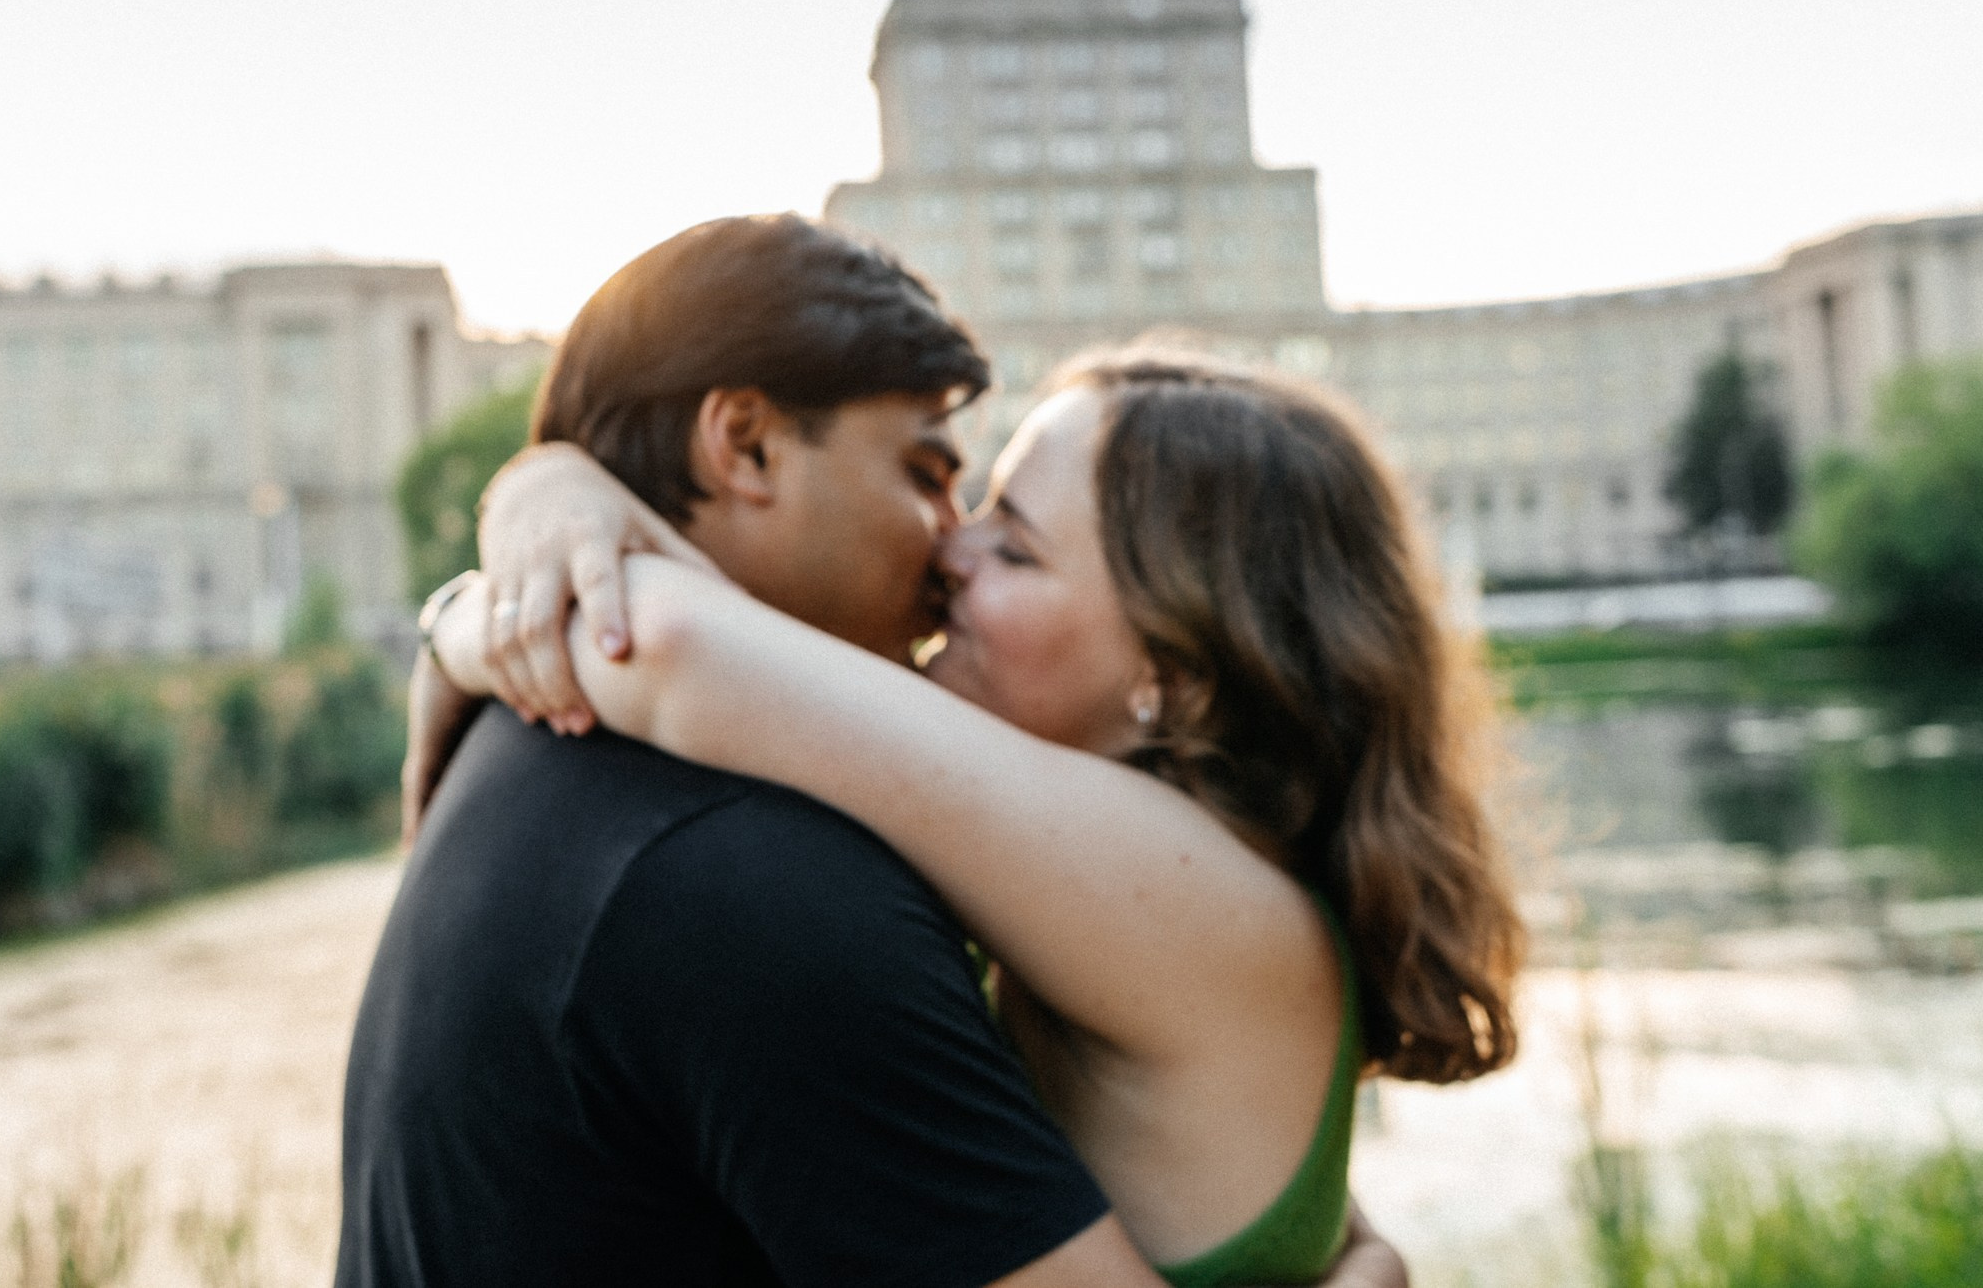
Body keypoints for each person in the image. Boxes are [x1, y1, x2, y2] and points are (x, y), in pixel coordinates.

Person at [337, 214, 1412, 1288]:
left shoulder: (603, 780)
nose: (950, 546)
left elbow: (663, 641)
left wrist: (475, 615)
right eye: (929, 475)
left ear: (1174, 675)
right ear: (745, 444)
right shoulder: (752, 876)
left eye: (1014, 544)